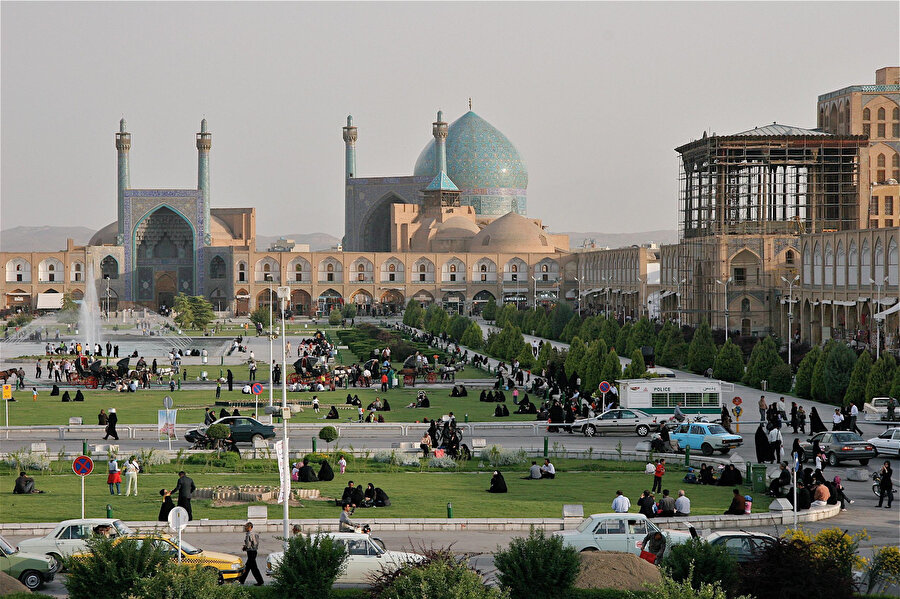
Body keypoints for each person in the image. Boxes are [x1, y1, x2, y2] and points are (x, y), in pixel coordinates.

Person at [238, 522, 264, 586]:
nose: (245, 528)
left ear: (250, 527)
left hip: (251, 552)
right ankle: (242, 580)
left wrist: (245, 547)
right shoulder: (254, 534)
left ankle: (259, 581)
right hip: (253, 551)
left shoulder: (249, 534)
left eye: (246, 527)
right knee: (250, 567)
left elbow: (250, 544)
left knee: (251, 567)